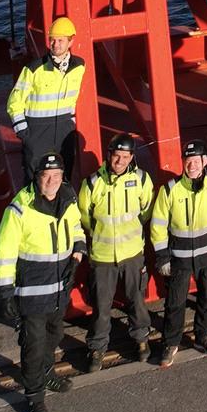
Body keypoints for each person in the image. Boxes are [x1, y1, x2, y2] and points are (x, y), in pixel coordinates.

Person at [0, 151, 84, 412]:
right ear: (37, 178)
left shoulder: (67, 199)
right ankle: (34, 398)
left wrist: (78, 252)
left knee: (54, 335)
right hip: (32, 292)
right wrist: (5, 292)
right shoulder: (20, 209)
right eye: (47, 176)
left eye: (57, 176)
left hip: (59, 288)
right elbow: (4, 253)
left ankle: (46, 373)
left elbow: (77, 227)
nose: (52, 181)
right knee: (33, 345)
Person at [147, 140, 207, 366]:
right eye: (188, 161)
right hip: (180, 258)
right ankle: (170, 342)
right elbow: (157, 225)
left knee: (206, 298)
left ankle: (203, 336)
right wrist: (163, 256)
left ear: (205, 161)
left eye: (196, 161)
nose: (192, 165)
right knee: (175, 303)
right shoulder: (170, 189)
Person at [75, 133, 154, 370]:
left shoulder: (141, 179)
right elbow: (84, 217)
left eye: (125, 156)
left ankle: (141, 340)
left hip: (132, 253)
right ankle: (97, 348)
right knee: (101, 306)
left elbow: (146, 210)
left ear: (131, 157)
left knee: (136, 300)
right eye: (116, 156)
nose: (120, 161)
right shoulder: (91, 184)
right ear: (109, 155)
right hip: (103, 256)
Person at [6, 16, 85, 178]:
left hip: (65, 131)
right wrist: (25, 134)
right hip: (37, 132)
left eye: (60, 40)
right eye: (52, 40)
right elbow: (14, 102)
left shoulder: (80, 66)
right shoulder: (34, 69)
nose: (55, 45)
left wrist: (71, 123)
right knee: (35, 178)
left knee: (64, 175)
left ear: (71, 42)